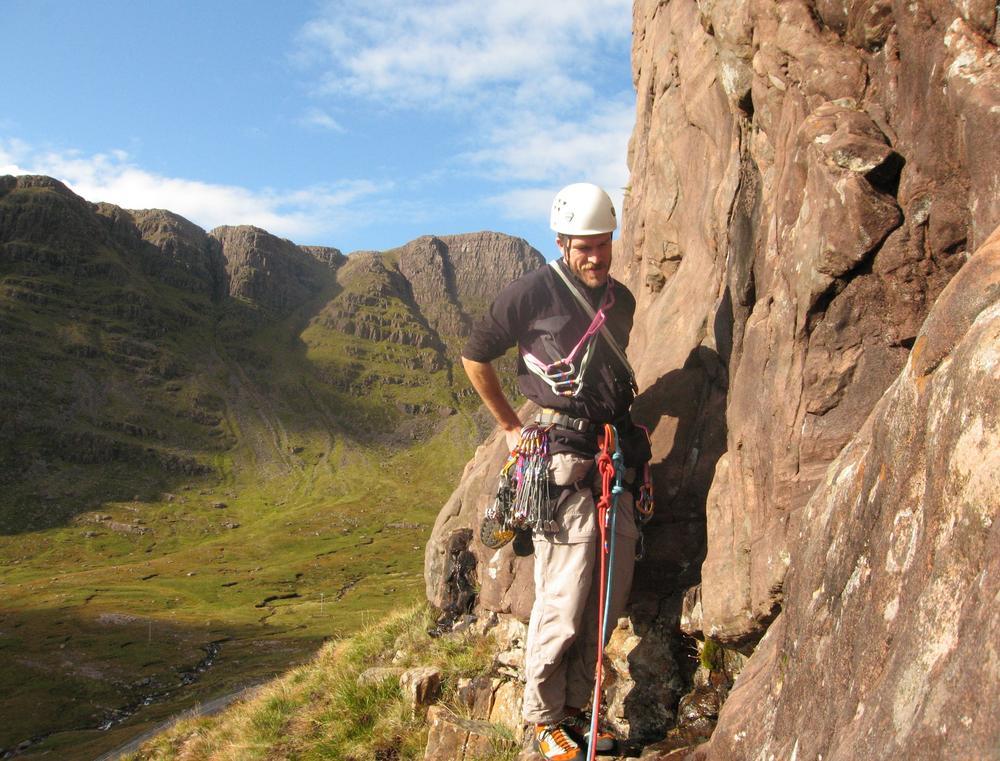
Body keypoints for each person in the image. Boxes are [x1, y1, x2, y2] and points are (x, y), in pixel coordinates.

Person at [461, 183, 647, 760]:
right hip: (562, 462)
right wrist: (509, 426)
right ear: (563, 243)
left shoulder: (622, 300)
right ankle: (543, 718)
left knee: (605, 601)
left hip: (614, 458)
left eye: (603, 244)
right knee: (563, 601)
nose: (596, 256)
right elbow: (475, 355)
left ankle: (576, 711)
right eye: (584, 247)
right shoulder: (530, 292)